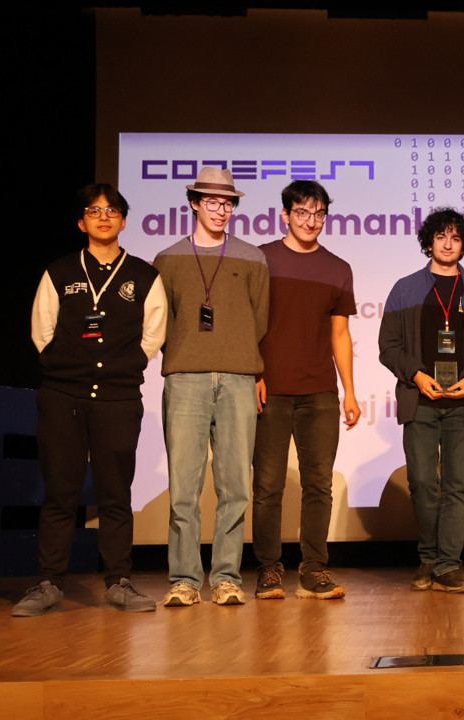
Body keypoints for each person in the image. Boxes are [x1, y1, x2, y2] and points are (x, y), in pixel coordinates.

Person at [13, 184, 166, 616]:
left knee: (116, 494)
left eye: (112, 210)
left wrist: (129, 363)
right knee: (60, 493)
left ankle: (119, 581)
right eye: (94, 211)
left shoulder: (143, 275)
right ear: (82, 222)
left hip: (118, 398)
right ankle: (49, 583)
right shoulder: (60, 271)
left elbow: (154, 333)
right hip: (63, 396)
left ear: (123, 220)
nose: (103, 217)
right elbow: (42, 330)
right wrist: (64, 365)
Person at [155, 167, 269, 607]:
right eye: (212, 202)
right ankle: (185, 579)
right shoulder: (168, 259)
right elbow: (162, 320)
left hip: (238, 377)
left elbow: (260, 319)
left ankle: (225, 577)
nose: (221, 210)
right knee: (184, 486)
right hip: (185, 377)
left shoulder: (252, 257)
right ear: (194, 204)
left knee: (235, 486)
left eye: (228, 203)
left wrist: (237, 355)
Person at [379, 208, 464, 594]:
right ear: (429, 241)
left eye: (456, 238)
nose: (448, 244)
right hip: (420, 400)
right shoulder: (405, 288)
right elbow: (388, 346)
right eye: (441, 236)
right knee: (421, 482)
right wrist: (416, 375)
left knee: (457, 485)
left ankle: (447, 565)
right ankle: (429, 557)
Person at [252, 180, 359, 601]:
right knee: (268, 486)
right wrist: (254, 374)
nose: (311, 221)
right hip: (271, 389)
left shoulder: (338, 267)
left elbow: (340, 334)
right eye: (302, 212)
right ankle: (268, 569)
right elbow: (247, 323)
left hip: (319, 392)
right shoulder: (261, 258)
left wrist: (350, 391)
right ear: (285, 215)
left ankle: (314, 569)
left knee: (319, 485)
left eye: (318, 214)